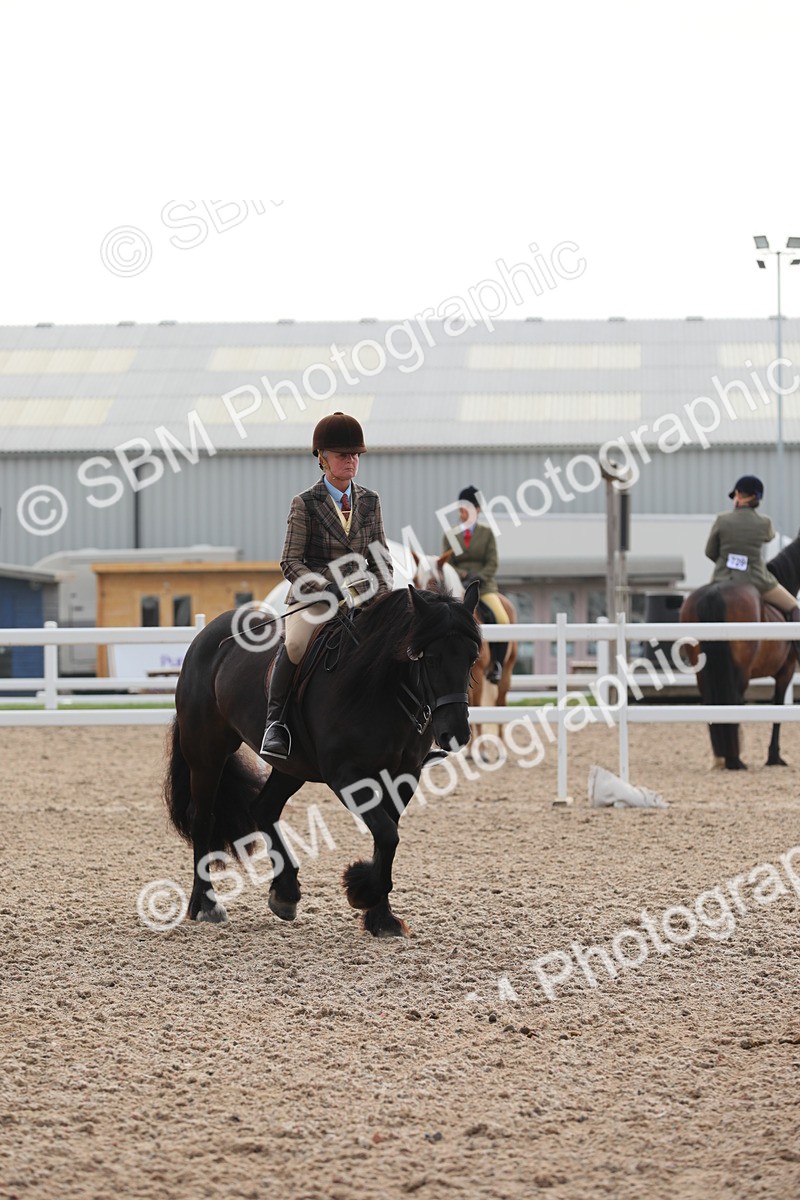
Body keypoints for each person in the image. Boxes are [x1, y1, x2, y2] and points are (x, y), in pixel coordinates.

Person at [259, 411, 393, 758]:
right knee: (296, 645)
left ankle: (411, 731)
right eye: (342, 455)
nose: (351, 461)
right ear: (322, 458)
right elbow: (290, 561)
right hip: (316, 598)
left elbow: (381, 559)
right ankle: (276, 723)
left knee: (396, 644)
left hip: (360, 596)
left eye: (355, 455)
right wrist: (323, 587)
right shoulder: (305, 503)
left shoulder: (371, 501)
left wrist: (382, 599)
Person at [706, 474, 800, 658]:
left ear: (738, 494)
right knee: (793, 607)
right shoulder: (764, 523)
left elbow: (710, 552)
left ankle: (687, 649)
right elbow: (769, 537)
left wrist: (727, 563)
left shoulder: (722, 520)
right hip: (757, 580)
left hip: (722, 577)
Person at [442, 485, 510, 684]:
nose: (463, 512)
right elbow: (447, 562)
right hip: (459, 585)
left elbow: (492, 563)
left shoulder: (487, 533)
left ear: (477, 510)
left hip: (484, 587)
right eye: (461, 508)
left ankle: (497, 664)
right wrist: (462, 574)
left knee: (502, 619)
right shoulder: (451, 535)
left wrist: (478, 577)